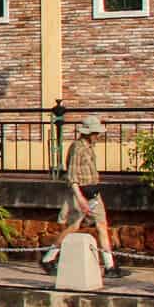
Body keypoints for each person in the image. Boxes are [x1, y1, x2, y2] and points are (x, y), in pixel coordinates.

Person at [44, 115, 124, 277]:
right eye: (95, 133)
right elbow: (72, 176)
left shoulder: (89, 147)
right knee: (72, 227)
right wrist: (80, 199)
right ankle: (48, 258)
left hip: (94, 192)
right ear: (88, 133)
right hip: (81, 192)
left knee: (102, 225)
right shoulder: (77, 148)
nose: (97, 136)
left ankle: (109, 266)